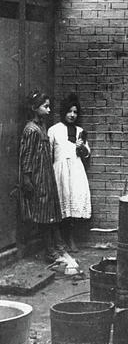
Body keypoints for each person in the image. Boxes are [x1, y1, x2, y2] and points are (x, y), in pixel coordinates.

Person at [18, 89, 65, 262]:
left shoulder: (42, 126)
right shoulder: (31, 130)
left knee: (50, 211)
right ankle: (49, 251)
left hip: (46, 175)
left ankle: (56, 246)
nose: (49, 110)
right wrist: (27, 178)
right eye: (45, 107)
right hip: (37, 177)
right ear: (35, 108)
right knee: (44, 215)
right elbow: (27, 156)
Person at [48, 93, 92, 253]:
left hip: (76, 171)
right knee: (60, 204)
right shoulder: (53, 130)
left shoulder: (80, 131)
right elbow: (49, 154)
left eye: (75, 112)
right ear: (63, 112)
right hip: (60, 172)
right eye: (69, 111)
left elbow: (86, 154)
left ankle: (70, 238)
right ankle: (59, 241)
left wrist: (81, 147)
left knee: (73, 203)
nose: (72, 115)